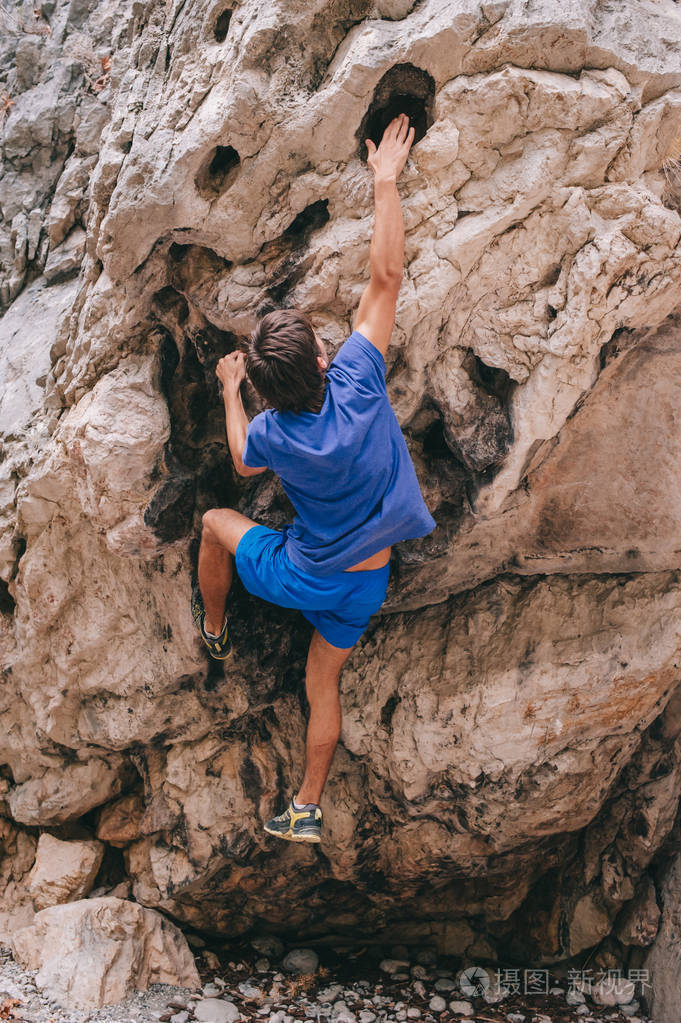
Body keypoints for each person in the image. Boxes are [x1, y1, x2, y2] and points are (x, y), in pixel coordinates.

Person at [191, 113, 436, 843]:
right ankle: (305, 804)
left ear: (271, 387)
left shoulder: (272, 432)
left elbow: (239, 461)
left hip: (301, 573)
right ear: (323, 358)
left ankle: (213, 627)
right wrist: (384, 179)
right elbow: (385, 275)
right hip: (366, 578)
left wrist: (232, 390)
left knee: (213, 523)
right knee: (321, 678)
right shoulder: (358, 376)